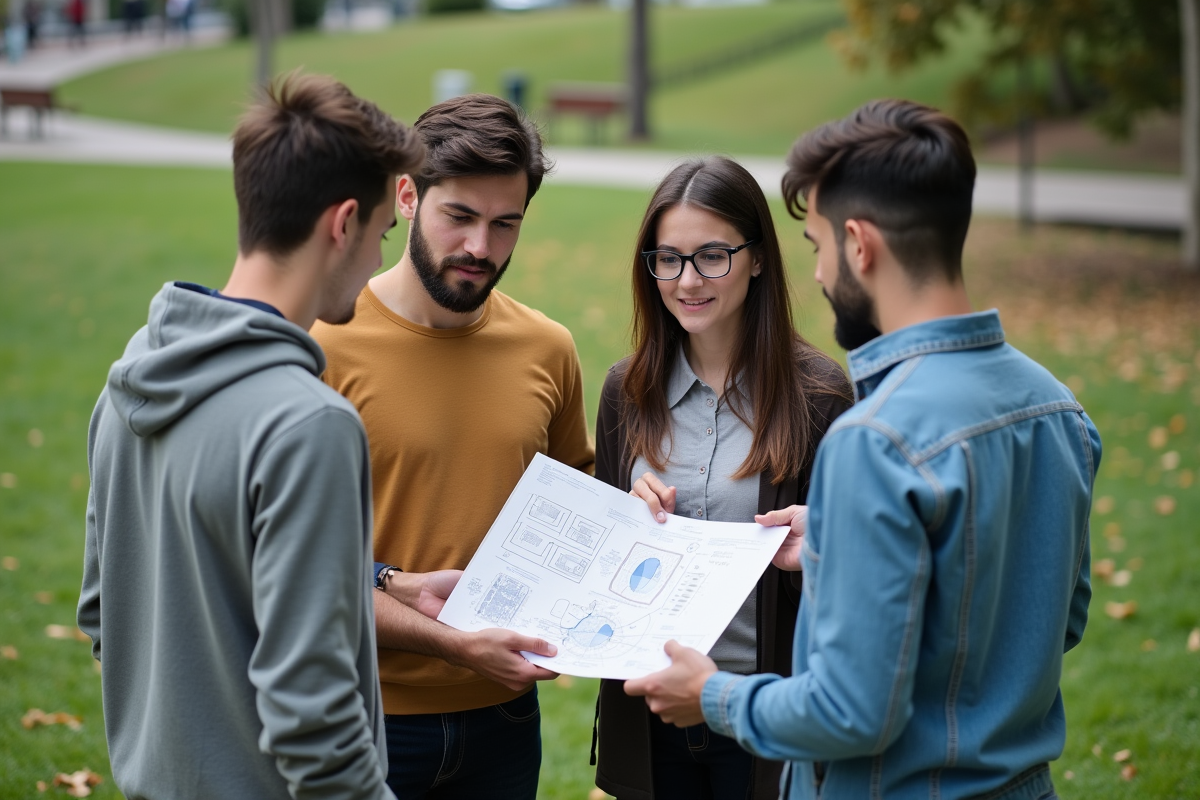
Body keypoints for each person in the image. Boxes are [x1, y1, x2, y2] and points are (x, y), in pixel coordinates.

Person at [623, 99, 1100, 800]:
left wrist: (717, 696)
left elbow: (851, 714)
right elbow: (1059, 617)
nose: (816, 273)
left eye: (816, 245)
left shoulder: (874, 441)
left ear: (859, 244)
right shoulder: (1058, 408)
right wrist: (834, 548)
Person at [76, 73, 425, 799]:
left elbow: (104, 610)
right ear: (343, 223)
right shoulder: (310, 424)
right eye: (382, 238)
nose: (376, 267)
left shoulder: (132, 374)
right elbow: (314, 716)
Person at [312, 93, 595, 800]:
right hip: (358, 714)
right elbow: (289, 568)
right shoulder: (322, 347)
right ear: (407, 195)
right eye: (460, 217)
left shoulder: (548, 348)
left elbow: (580, 515)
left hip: (504, 719)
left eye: (506, 225)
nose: (481, 248)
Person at [591, 156, 851, 800]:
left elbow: (853, 579)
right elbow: (599, 570)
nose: (687, 281)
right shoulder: (627, 391)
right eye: (668, 259)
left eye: (712, 255)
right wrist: (622, 519)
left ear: (758, 258)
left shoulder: (820, 397)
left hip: (765, 718)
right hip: (652, 715)